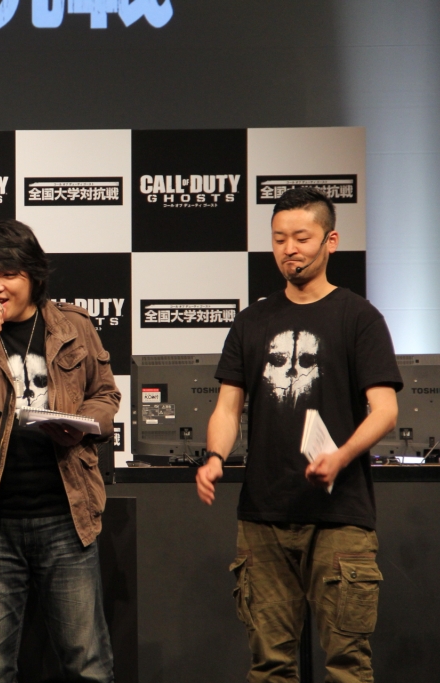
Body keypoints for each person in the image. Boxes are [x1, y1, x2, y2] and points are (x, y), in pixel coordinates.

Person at [195, 187, 402, 683]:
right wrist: (215, 456)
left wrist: (342, 456)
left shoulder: (359, 317)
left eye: (302, 238)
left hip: (339, 516)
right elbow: (227, 407)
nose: (290, 249)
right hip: (263, 516)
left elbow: (386, 411)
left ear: (330, 241)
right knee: (269, 666)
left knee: (348, 665)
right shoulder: (251, 321)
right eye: (279, 238)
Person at [0, 220, 120, 683]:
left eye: (7, 274)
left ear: (33, 276)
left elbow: (106, 395)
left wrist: (81, 425)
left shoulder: (73, 326)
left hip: (66, 516)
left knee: (87, 664)